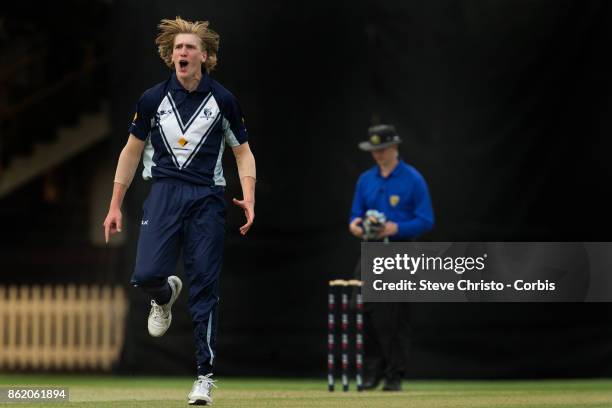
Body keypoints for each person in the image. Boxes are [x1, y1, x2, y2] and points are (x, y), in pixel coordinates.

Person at [102, 17, 256, 405]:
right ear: (170, 56)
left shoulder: (223, 100)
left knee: (205, 288)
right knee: (145, 275)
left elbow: (243, 152)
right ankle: (164, 294)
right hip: (164, 193)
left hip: (207, 196)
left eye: (189, 48)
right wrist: (114, 205)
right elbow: (131, 152)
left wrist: (249, 196)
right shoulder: (152, 99)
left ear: (205, 56)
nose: (182, 53)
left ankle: (204, 378)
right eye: (177, 49)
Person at [349, 124, 434, 391]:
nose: (377, 154)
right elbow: (355, 215)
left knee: (398, 315)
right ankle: (375, 367)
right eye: (374, 150)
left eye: (382, 149)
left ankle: (395, 375)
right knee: (358, 305)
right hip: (372, 249)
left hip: (402, 249)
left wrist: (395, 228)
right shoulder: (366, 179)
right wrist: (356, 226)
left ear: (394, 147)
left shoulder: (413, 179)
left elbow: (426, 220)